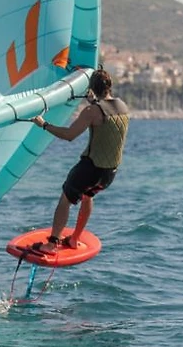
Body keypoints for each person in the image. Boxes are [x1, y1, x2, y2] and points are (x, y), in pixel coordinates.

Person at [30, 68, 129, 253]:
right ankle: (74, 239)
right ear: (110, 87)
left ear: (92, 87)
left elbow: (69, 135)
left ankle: (52, 244)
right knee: (87, 196)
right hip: (110, 174)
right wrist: (94, 102)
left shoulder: (92, 111)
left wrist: (43, 124)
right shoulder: (123, 106)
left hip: (90, 169)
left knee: (66, 199)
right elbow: (107, 113)